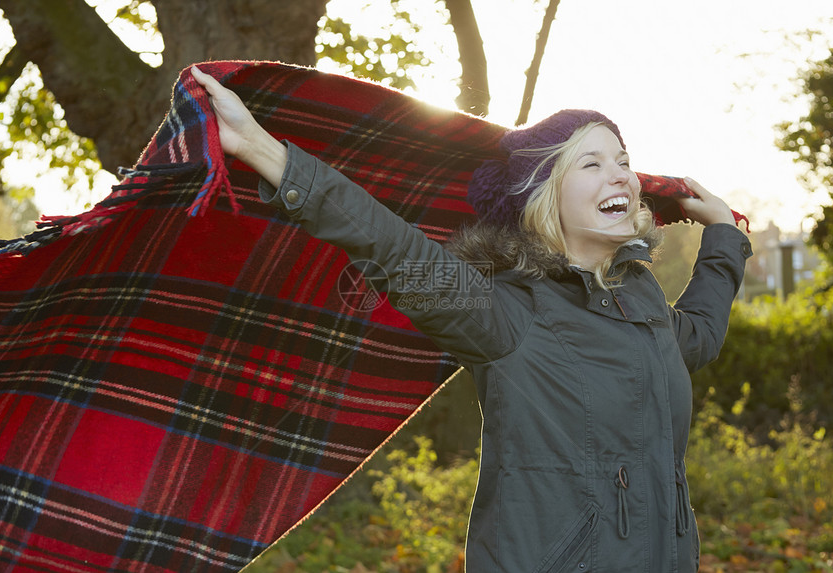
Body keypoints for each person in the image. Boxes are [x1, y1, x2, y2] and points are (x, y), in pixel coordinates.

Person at [190, 66, 751, 573]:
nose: (622, 177)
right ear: (545, 198)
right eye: (593, 163)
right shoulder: (504, 312)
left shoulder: (642, 300)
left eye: (624, 162)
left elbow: (696, 338)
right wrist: (260, 147)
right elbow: (393, 249)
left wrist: (725, 235)